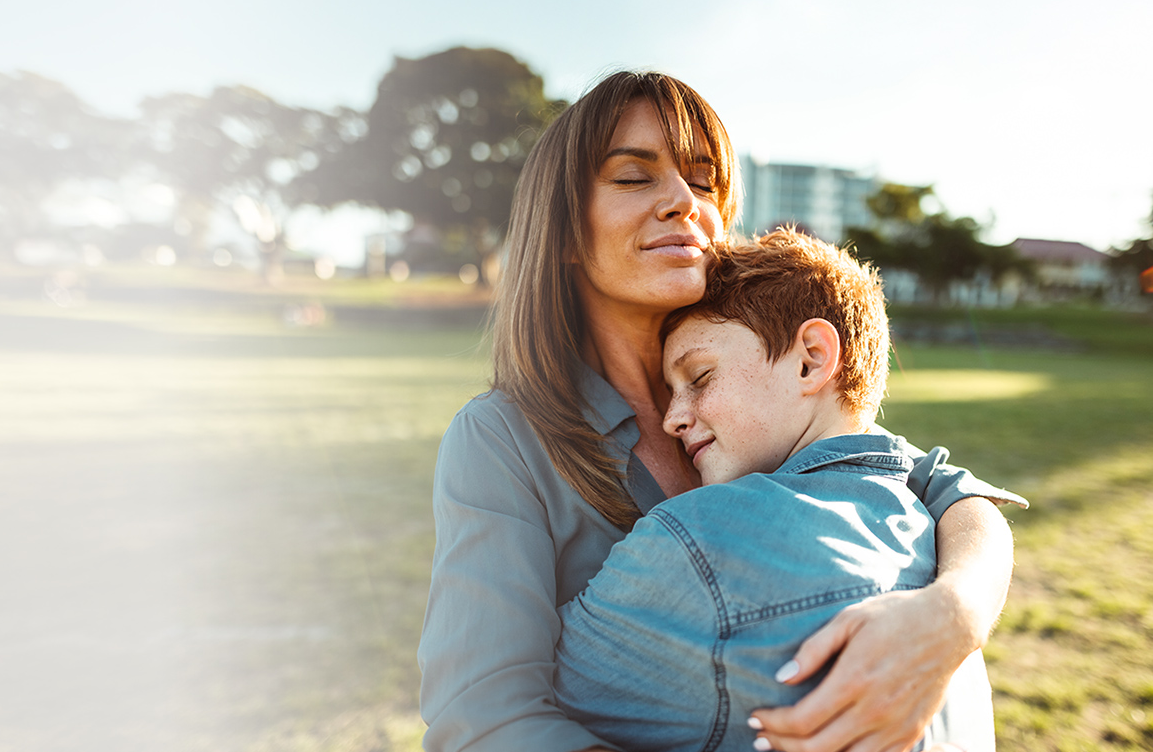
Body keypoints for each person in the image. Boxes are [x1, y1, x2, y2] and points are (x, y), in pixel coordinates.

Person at [418, 71, 1023, 752]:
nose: (683, 201)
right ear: (562, 229)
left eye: (703, 180)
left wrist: (951, 617)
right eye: (633, 177)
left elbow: (947, 488)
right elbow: (484, 715)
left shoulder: (759, 383)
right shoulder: (501, 438)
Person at [551, 229, 1020, 752]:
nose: (671, 420)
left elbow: (528, 689)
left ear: (812, 359)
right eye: (670, 392)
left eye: (700, 376)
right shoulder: (927, 523)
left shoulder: (699, 537)